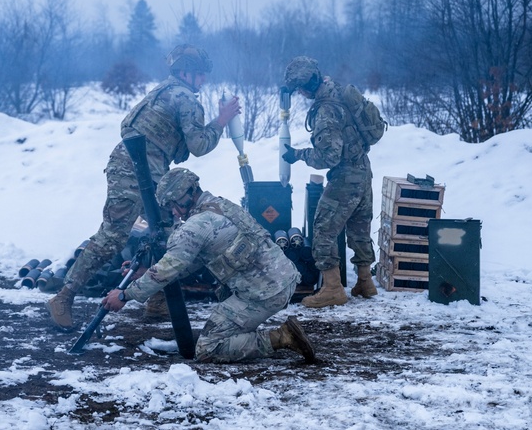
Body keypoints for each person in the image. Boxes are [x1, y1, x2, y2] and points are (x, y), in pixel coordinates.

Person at [46, 44, 241, 330]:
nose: (203, 80)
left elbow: (137, 130)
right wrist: (222, 120)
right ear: (185, 72)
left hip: (149, 171)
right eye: (200, 74)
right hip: (134, 169)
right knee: (113, 236)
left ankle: (158, 299)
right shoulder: (185, 98)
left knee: (165, 233)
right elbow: (199, 145)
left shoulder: (163, 91)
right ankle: (63, 297)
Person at [101, 168, 315, 364]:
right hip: (282, 278)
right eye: (168, 207)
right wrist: (146, 273)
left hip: (263, 293)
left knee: (208, 348)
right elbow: (189, 263)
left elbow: (167, 270)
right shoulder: (220, 205)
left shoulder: (195, 226)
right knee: (219, 322)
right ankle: (243, 334)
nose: (174, 211)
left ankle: (283, 337)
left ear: (190, 193)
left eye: (174, 203)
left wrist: (124, 295)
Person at [280, 56, 376, 308]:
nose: (300, 93)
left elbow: (328, 156)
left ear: (305, 85)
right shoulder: (338, 91)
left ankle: (333, 288)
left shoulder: (325, 109)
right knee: (359, 228)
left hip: (345, 176)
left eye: (299, 89)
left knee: (323, 229)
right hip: (363, 170)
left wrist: (298, 155)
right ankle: (365, 282)